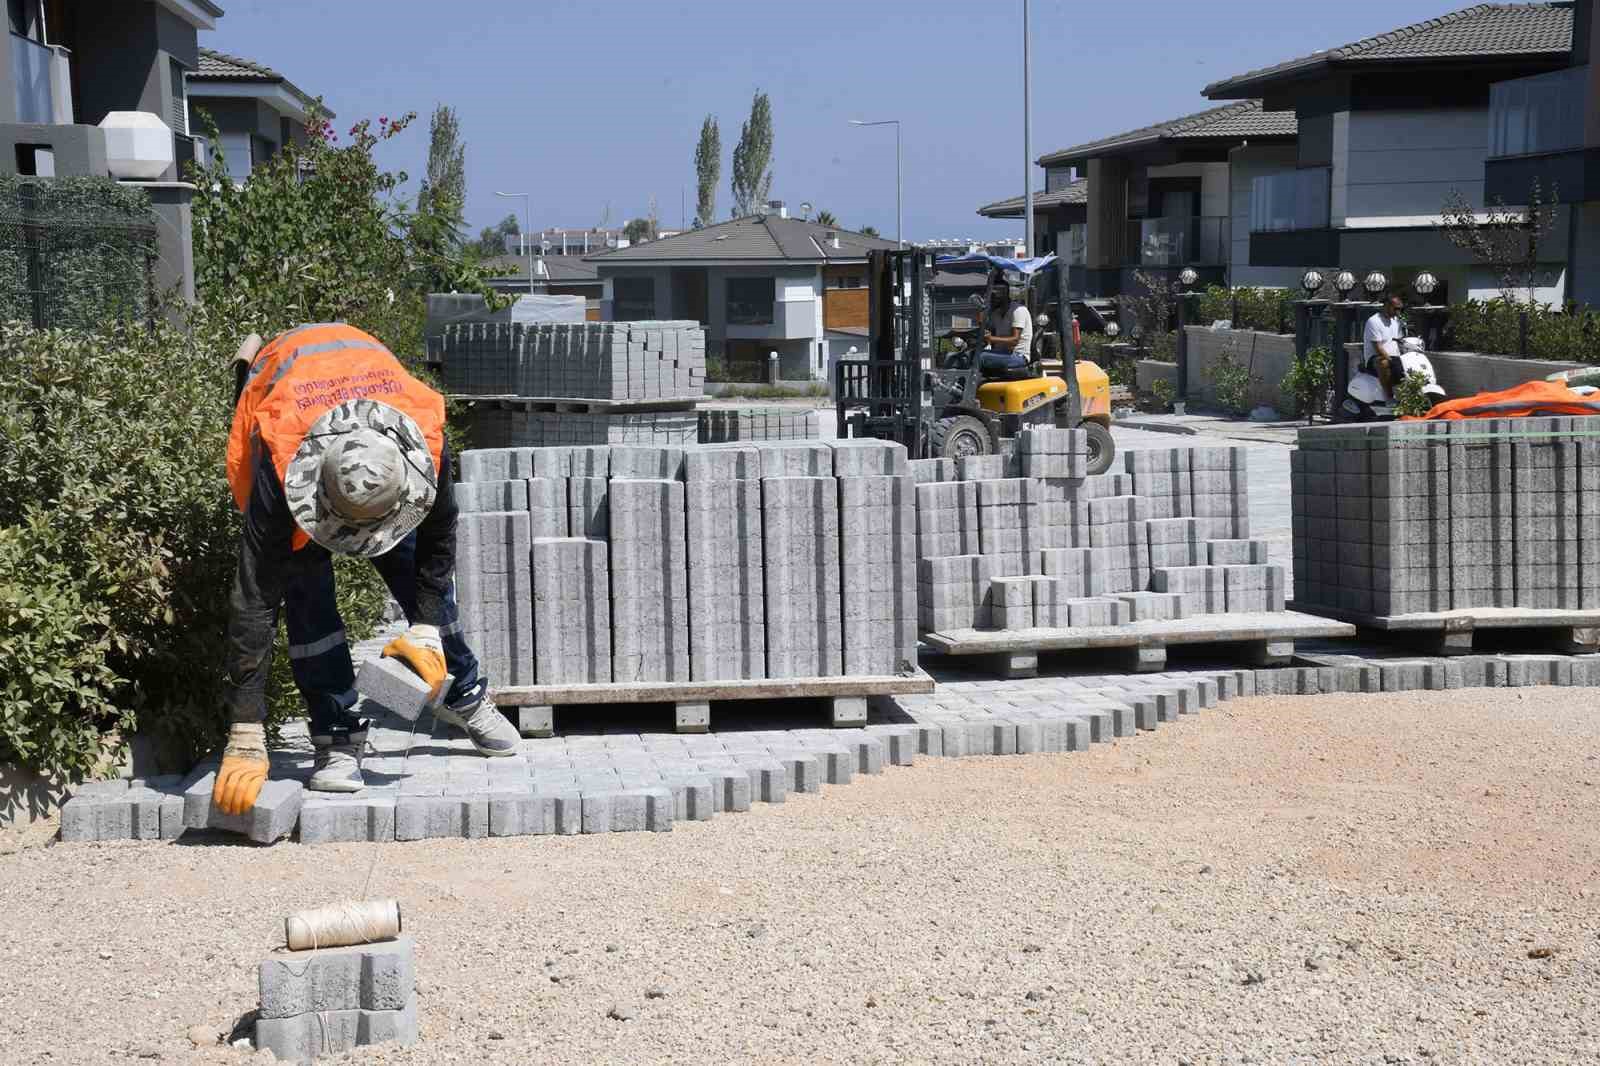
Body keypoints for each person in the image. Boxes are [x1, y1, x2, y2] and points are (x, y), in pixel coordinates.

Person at [211, 323, 519, 817]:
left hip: (362, 403)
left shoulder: (423, 438)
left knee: (412, 568)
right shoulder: (279, 460)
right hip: (290, 423)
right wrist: (246, 726)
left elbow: (439, 542)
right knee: (306, 595)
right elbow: (254, 596)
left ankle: (463, 693)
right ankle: (336, 736)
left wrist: (423, 625)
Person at [979, 270, 1033, 377]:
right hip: (1000, 354)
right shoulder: (996, 314)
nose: (990, 300)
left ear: (1002, 295)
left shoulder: (1018, 310)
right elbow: (987, 331)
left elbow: (1014, 340)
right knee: (966, 356)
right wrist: (981, 311)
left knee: (980, 357)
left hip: (1018, 357)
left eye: (993, 296)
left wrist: (991, 338)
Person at [1362, 291, 1405, 395]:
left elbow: (1400, 342)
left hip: (1394, 356)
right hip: (1375, 357)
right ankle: (1388, 396)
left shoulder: (1396, 322)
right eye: (1395, 309)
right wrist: (1393, 361)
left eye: (1400, 309)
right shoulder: (1374, 321)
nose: (1398, 312)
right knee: (1384, 363)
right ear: (1386, 306)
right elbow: (1378, 348)